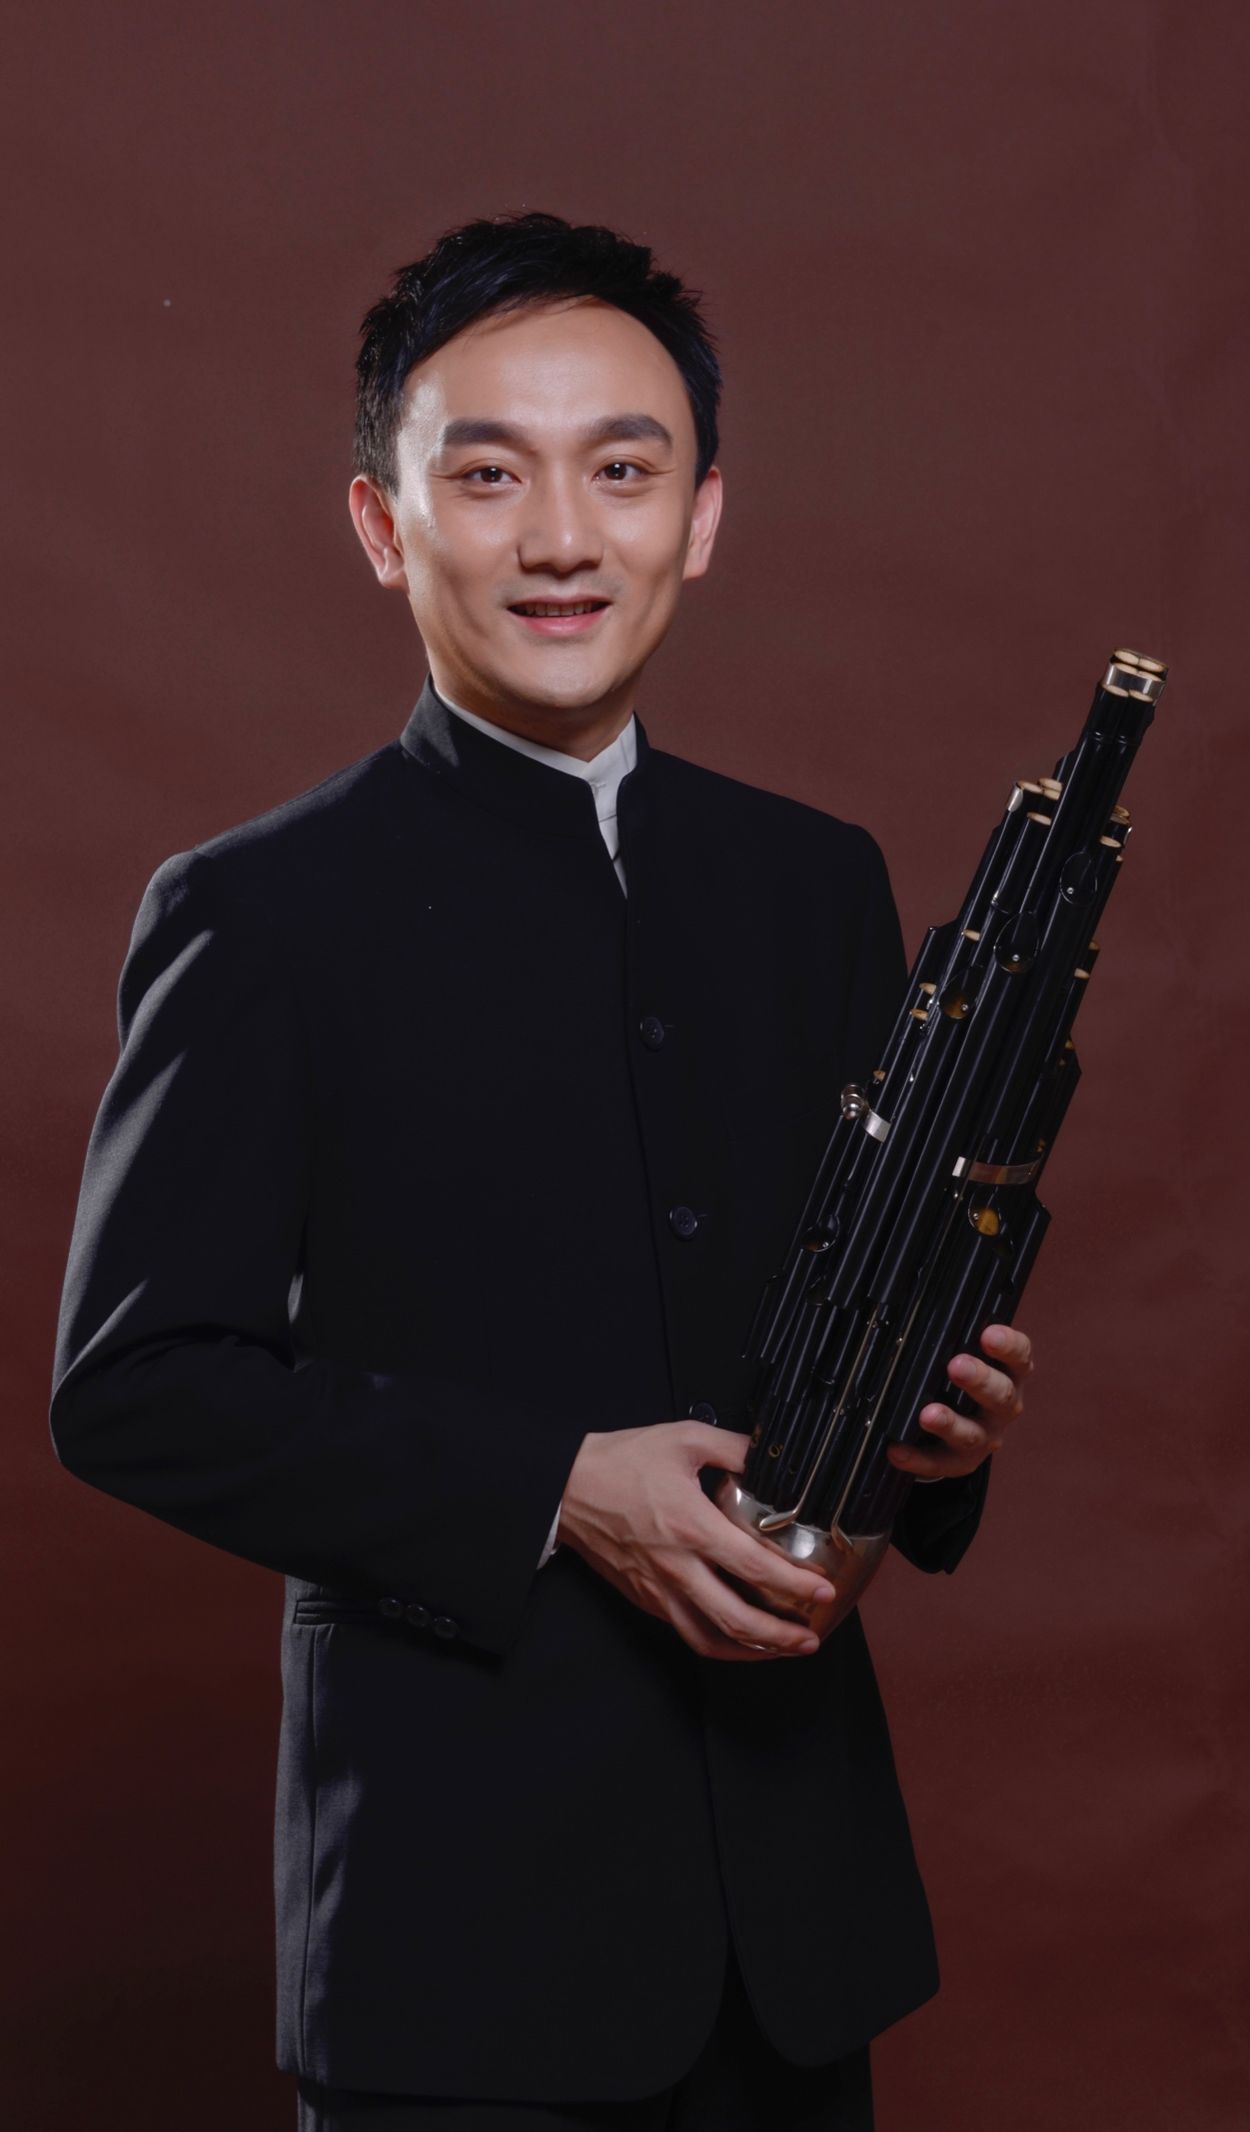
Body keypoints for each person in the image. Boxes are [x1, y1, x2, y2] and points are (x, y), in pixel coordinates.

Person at [50, 212, 1033, 2131]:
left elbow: (858, 1322)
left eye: (623, 471)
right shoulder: (257, 913)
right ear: (382, 525)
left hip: (791, 1925)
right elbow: (135, 1388)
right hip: (452, 1940)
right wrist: (553, 1491)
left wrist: (934, 1439)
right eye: (489, 475)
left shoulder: (813, 882)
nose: (563, 538)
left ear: (703, 516)